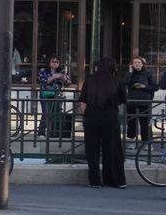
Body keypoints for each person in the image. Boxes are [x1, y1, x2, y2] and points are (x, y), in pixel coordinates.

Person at [79, 57, 127, 188]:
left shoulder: (89, 81)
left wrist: (87, 114)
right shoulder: (117, 81)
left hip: (92, 117)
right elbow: (122, 100)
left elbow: (83, 102)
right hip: (110, 117)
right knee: (113, 149)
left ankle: (95, 180)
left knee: (92, 150)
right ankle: (116, 180)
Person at [124, 56, 158, 142]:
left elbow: (155, 87)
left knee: (145, 123)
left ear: (143, 64)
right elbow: (123, 83)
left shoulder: (148, 74)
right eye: (135, 62)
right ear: (132, 64)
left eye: (139, 62)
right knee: (131, 123)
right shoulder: (130, 74)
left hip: (145, 102)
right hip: (132, 101)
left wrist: (144, 87)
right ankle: (132, 141)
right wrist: (130, 73)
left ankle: (146, 142)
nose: (137, 64)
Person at [37, 55, 70, 136]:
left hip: (58, 95)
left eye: (57, 62)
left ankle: (54, 132)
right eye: (53, 61)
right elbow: (43, 81)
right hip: (46, 94)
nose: (55, 63)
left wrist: (64, 79)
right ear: (49, 62)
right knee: (46, 112)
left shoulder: (62, 71)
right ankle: (41, 132)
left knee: (57, 113)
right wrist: (54, 77)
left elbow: (68, 83)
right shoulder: (43, 70)